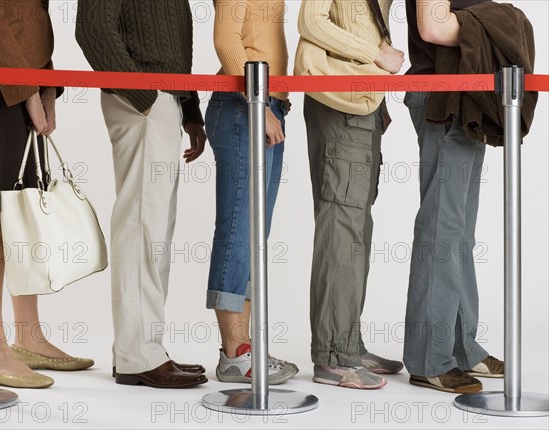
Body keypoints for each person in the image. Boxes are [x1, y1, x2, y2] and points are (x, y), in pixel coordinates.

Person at [0, 0, 93, 389]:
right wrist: (27, 90)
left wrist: (46, 84)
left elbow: (35, 17)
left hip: (20, 83)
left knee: (22, 217)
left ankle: (28, 336)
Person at [76, 0, 208, 389]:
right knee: (140, 227)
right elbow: (92, 30)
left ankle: (146, 348)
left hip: (164, 101)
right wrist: (145, 96)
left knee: (155, 232)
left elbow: (174, 44)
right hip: (142, 104)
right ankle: (137, 356)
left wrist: (189, 109)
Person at [294, 0, 405, 389]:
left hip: (363, 104)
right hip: (340, 105)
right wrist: (376, 54)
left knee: (357, 229)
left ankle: (349, 344)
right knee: (341, 225)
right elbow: (310, 20)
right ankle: (333, 355)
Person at [403, 0, 504, 393]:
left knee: (460, 233)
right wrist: (499, 21)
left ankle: (461, 346)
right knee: (441, 231)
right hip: (441, 99)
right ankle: (430, 357)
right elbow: (432, 27)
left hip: (464, 97)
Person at [205, 0, 298, 384]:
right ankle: (234, 354)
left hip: (265, 104)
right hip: (244, 106)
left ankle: (245, 348)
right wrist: (259, 105)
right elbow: (226, 41)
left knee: (254, 235)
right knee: (238, 230)